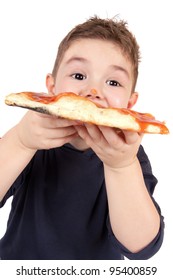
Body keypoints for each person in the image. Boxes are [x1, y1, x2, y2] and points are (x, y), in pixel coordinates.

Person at [0, 16, 164, 260]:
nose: (93, 92)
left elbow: (140, 247)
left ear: (130, 104)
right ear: (51, 88)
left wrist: (121, 167)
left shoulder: (130, 156)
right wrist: (20, 141)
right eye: (78, 76)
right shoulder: (32, 140)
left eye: (113, 82)